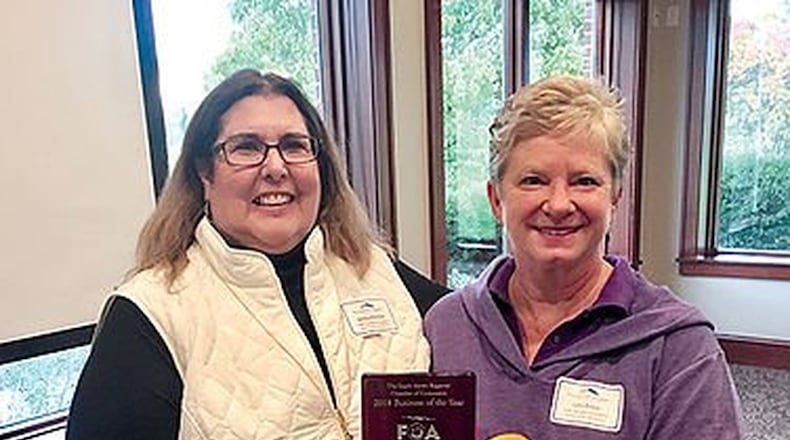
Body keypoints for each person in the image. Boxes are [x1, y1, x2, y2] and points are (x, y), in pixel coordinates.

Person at [67, 69, 448, 439]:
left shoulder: (376, 269)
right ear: (204, 171)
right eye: (246, 147)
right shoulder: (150, 313)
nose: (276, 167)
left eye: (294, 145)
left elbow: (484, 322)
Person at [424, 75, 742, 439]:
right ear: (496, 199)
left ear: (615, 196)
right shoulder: (445, 327)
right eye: (533, 180)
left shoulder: (678, 348)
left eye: (584, 181)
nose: (559, 204)